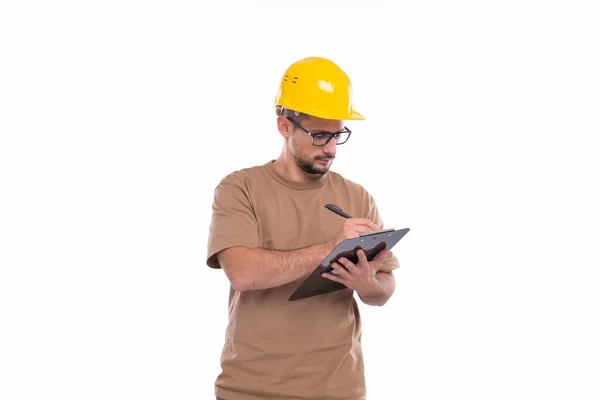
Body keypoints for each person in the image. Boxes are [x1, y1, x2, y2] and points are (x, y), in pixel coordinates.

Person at [206, 56, 401, 400]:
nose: (331, 149)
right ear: (285, 127)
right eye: (319, 135)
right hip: (250, 389)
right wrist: (329, 247)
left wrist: (367, 284)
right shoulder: (240, 188)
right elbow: (242, 273)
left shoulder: (357, 197)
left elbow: (384, 289)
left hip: (339, 389)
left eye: (338, 134)